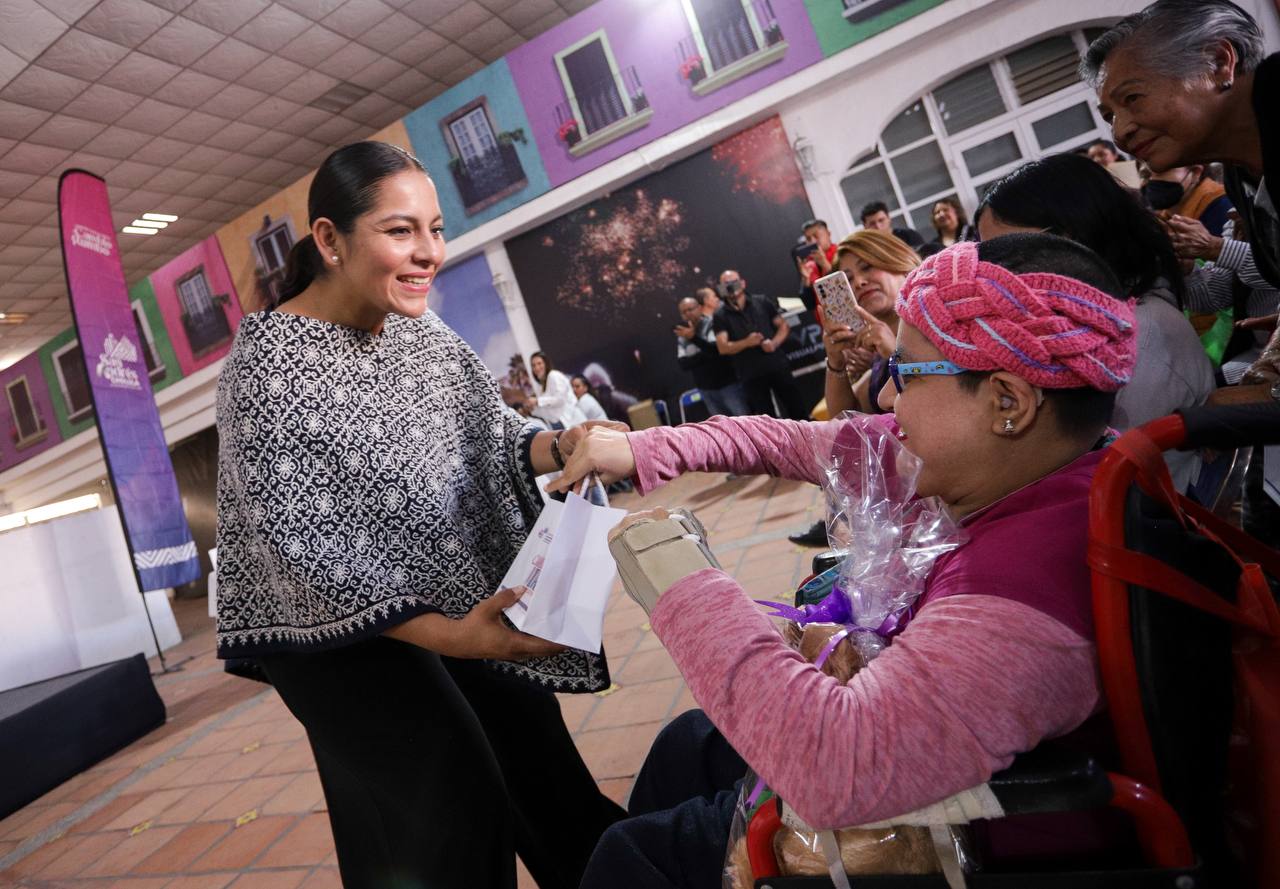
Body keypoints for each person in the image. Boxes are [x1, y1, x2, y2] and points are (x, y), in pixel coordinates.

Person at [552, 235, 1140, 888]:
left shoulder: (1027, 585)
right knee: (686, 747)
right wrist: (642, 448)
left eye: (908, 375)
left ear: (1009, 402)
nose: (887, 400)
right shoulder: (1024, 466)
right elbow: (785, 439)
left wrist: (678, 578)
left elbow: (838, 765)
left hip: (981, 841)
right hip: (942, 785)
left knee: (631, 855)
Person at [214, 141, 624, 889]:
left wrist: (565, 441)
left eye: (434, 228)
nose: (428, 252)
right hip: (328, 631)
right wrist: (457, 637)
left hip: (444, 590)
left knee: (535, 749)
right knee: (451, 796)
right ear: (330, 240)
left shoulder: (419, 332)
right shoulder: (265, 371)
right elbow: (304, 553)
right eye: (400, 231)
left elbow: (492, 434)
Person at [976, 152, 1214, 492]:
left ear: (1070, 239)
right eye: (990, 260)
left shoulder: (1139, 338)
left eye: (1009, 256)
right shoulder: (1087, 330)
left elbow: (1088, 476)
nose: (1000, 277)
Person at [1083, 0, 1280, 288]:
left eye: (1133, 97)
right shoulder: (1242, 177)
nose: (1120, 132)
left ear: (1218, 63)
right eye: (1109, 116)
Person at [790, 229, 921, 547]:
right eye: (847, 278)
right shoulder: (875, 351)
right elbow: (842, 423)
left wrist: (894, 353)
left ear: (902, 264)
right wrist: (835, 361)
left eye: (868, 267)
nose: (859, 282)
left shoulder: (935, 329)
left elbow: (945, 404)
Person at [711, 269, 808, 419]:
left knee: (796, 408)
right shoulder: (720, 315)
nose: (730, 287)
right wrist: (747, 342)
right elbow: (723, 347)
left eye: (733, 282)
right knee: (765, 420)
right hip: (750, 374)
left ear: (742, 283)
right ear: (720, 288)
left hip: (776, 365)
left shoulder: (761, 301)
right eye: (725, 284)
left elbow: (783, 325)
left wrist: (774, 343)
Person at [674, 289, 749, 418]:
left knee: (744, 421)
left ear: (699, 308)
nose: (688, 314)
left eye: (690, 309)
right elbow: (683, 364)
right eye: (684, 312)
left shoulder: (713, 323)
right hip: (706, 390)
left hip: (728, 385)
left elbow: (716, 352)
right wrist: (704, 354)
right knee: (723, 430)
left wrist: (694, 339)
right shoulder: (683, 335)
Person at [1139, 162, 1233, 234]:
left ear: (1196, 172)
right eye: (1145, 175)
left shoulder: (1223, 206)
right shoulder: (1160, 220)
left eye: (1160, 171)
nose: (1151, 180)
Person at [528, 350, 587, 428]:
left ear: (546, 363)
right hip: (561, 424)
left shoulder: (554, 375)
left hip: (573, 421)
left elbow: (560, 399)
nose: (537, 368)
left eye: (539, 363)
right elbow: (547, 411)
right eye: (533, 365)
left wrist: (537, 401)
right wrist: (532, 408)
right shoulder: (541, 386)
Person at [859, 200, 926, 250]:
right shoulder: (865, 249)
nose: (878, 226)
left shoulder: (909, 236)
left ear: (889, 218)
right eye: (872, 224)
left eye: (881, 220)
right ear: (865, 226)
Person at [796, 218, 838, 287]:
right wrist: (806, 280)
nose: (813, 241)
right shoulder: (809, 264)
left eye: (816, 236)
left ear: (828, 234)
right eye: (808, 239)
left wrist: (825, 264)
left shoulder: (841, 254)